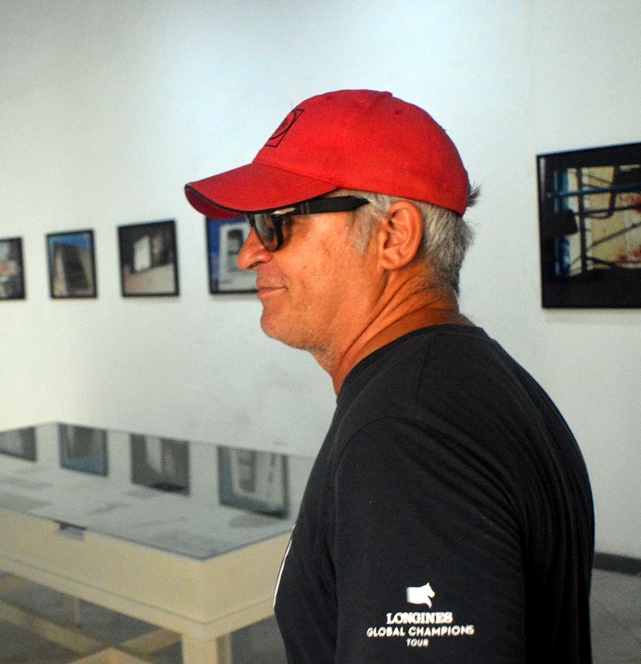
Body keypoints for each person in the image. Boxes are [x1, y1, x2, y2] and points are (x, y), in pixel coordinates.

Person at [184, 90, 594, 663]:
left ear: (393, 236)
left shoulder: (407, 437)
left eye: (278, 222)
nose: (249, 252)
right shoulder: (467, 382)